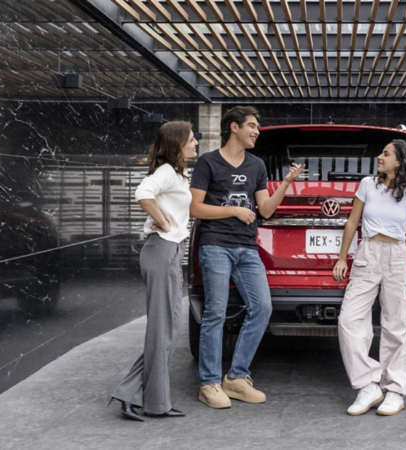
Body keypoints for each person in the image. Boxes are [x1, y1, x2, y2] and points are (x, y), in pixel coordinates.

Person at [190, 106, 304, 409]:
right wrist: (234, 210)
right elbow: (195, 209)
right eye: (252, 125)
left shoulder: (256, 165)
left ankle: (237, 378)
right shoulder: (207, 162)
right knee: (215, 312)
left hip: (247, 248)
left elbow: (265, 210)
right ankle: (209, 383)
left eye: (257, 125)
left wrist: (287, 183)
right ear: (234, 127)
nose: (256, 130)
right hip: (216, 245)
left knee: (262, 308)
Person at [110, 121, 198, 421]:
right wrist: (162, 219)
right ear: (177, 144)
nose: (196, 142)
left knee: (168, 330)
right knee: (163, 330)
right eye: (191, 139)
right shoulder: (164, 172)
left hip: (170, 252)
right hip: (161, 250)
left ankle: (138, 396)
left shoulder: (176, 174)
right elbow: (142, 193)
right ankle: (144, 399)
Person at [334, 139, 406, 417]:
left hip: (397, 255)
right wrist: (342, 257)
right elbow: (352, 221)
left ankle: (395, 390)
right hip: (368, 254)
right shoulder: (367, 184)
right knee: (349, 320)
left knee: (396, 325)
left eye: (386, 153)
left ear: (399, 161)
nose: (380, 156)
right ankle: (368, 385)